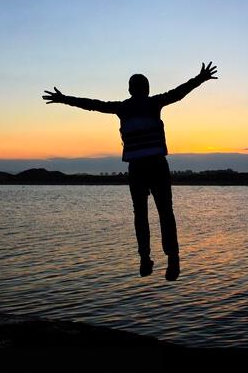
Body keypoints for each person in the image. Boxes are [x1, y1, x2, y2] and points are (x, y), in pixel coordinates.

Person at [42, 62, 218, 280]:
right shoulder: (153, 103)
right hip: (154, 166)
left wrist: (64, 99)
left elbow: (92, 105)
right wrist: (200, 78)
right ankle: (171, 258)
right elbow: (179, 93)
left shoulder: (125, 107)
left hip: (139, 168)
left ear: (130, 90)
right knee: (164, 213)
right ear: (147, 88)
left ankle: (147, 258)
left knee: (142, 215)